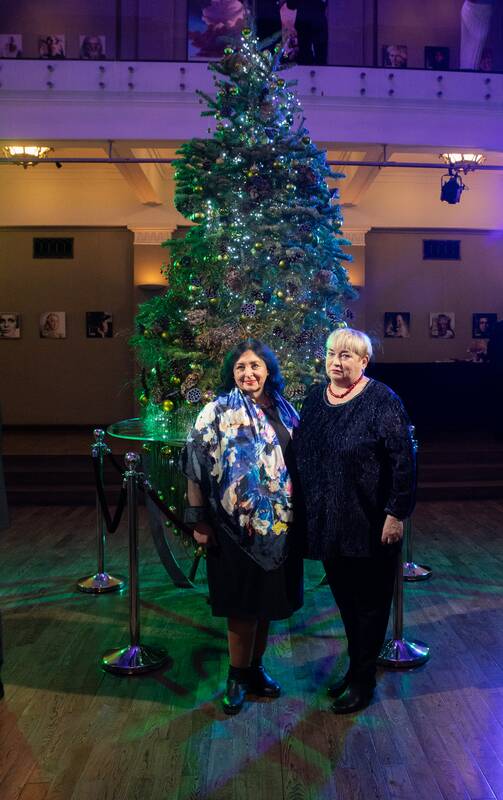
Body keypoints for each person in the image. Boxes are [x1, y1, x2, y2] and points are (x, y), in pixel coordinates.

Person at [293, 328, 416, 714]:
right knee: (346, 601)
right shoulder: (315, 398)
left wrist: (396, 514)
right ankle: (355, 668)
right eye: (331, 353)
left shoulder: (382, 399)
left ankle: (364, 680)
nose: (336, 361)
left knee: (371, 605)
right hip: (329, 522)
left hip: (370, 522)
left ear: (364, 361)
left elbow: (403, 461)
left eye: (346, 355)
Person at [181, 338, 303, 715]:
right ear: (231, 373)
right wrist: (198, 520)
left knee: (266, 603)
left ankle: (254, 670)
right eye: (240, 367)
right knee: (241, 605)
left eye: (255, 366)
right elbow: (194, 467)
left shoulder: (285, 409)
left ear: (268, 370)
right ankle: (236, 676)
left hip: (280, 528)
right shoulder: (216, 411)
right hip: (233, 528)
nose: (248, 373)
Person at [286, 0, 328, 65]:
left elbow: (291, 5)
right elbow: (291, 5)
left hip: (310, 23)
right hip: (308, 23)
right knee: (308, 55)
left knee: (316, 55)